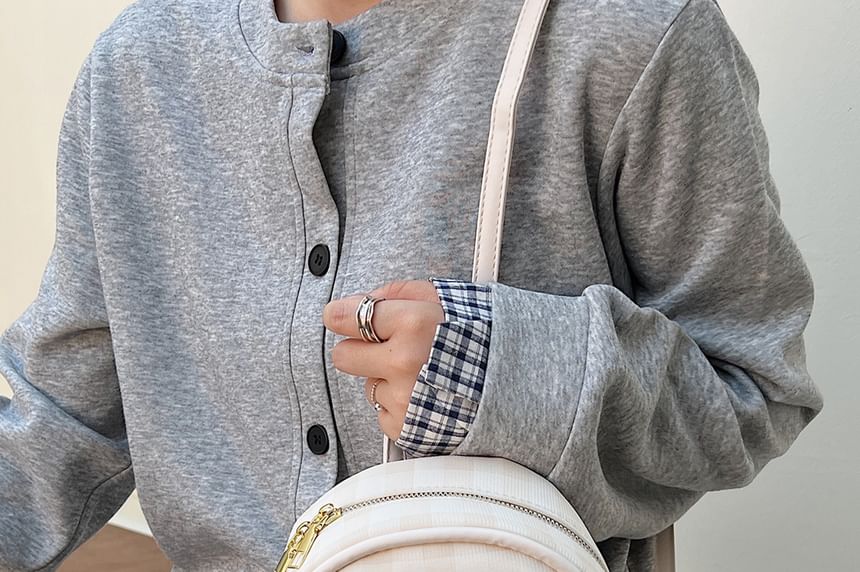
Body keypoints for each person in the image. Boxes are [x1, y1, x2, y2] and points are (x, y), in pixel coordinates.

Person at [0, 0, 824, 570]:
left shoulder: (632, 32)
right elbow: (63, 418)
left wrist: (509, 371)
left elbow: (754, 386)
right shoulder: (138, 68)